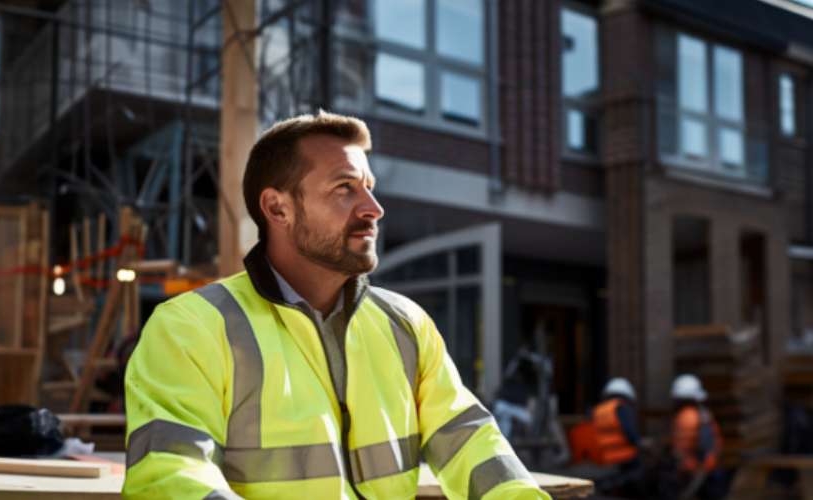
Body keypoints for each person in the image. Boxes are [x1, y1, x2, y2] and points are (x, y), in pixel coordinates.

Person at [123, 112, 548, 499]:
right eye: (345, 188)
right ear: (278, 208)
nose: (374, 209)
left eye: (370, 188)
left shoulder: (405, 324)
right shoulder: (190, 328)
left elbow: (469, 440)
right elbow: (171, 476)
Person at [669, 374, 724, 500]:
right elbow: (707, 444)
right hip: (702, 469)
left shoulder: (681, 416)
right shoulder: (701, 415)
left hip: (690, 469)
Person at [592, 377, 643, 495]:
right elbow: (631, 434)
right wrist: (640, 443)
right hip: (625, 458)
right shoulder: (621, 408)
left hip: (605, 458)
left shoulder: (599, 410)